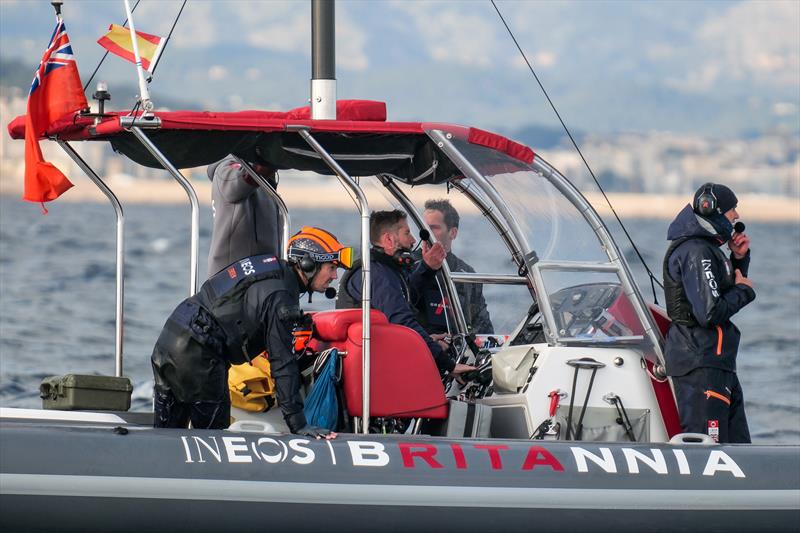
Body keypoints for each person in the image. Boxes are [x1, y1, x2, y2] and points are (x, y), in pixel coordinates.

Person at [151, 226, 353, 438]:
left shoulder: (269, 268)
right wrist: (299, 424)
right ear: (308, 264)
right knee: (212, 441)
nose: (334, 276)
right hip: (199, 354)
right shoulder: (281, 295)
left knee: (167, 438)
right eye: (331, 267)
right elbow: (282, 363)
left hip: (170, 338)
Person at [663, 183, 755, 443]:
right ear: (710, 209)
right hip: (701, 363)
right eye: (731, 210)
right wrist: (744, 292)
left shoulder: (707, 249)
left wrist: (739, 260)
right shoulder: (696, 251)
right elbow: (710, 312)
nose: (736, 216)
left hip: (717, 364)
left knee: (737, 446)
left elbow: (718, 293)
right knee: (708, 446)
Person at [336, 210, 474, 376]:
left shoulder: (383, 270)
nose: (413, 240)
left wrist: (427, 268)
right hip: (373, 370)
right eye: (407, 233)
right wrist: (449, 365)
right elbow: (402, 321)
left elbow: (405, 297)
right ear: (388, 239)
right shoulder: (377, 275)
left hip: (378, 358)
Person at [416, 198, 494, 336]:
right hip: (421, 346)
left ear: (453, 233)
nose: (426, 234)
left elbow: (483, 325)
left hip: (457, 349)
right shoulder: (409, 266)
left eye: (433, 228)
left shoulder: (467, 274)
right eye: (424, 227)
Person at [207, 154, 281, 276]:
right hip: (235, 280)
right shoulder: (226, 169)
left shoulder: (263, 181)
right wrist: (273, 157)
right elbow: (242, 180)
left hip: (259, 275)